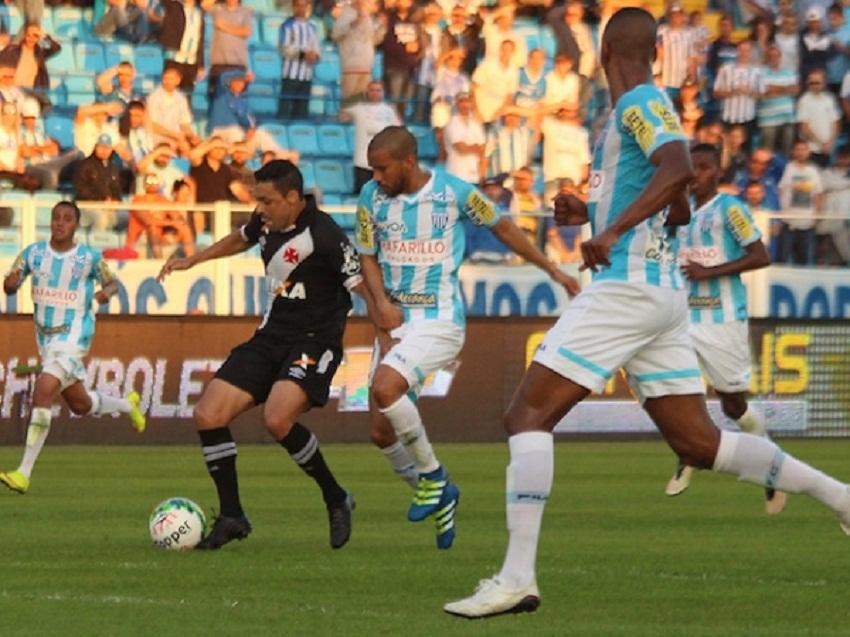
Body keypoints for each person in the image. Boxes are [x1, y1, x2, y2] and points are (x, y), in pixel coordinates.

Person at [444, 8, 850, 619]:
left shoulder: (638, 101)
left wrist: (611, 231)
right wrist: (591, 209)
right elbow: (680, 207)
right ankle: (841, 496)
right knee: (699, 442)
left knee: (525, 414)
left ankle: (516, 577)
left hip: (627, 288)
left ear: (605, 50)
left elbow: (680, 167)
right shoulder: (629, 111)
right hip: (660, 294)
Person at [354, 126, 578, 550]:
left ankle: (435, 478)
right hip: (395, 319)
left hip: (438, 320)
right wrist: (380, 304)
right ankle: (441, 497)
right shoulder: (371, 198)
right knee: (381, 433)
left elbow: (504, 228)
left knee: (385, 387)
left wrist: (554, 270)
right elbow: (367, 254)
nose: (376, 177)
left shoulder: (453, 193)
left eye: (383, 169)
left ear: (408, 162)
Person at [157, 160, 375, 550]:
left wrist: (388, 323)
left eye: (267, 201)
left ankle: (335, 495)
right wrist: (194, 259)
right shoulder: (265, 221)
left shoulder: (325, 234)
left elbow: (360, 283)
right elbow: (241, 238)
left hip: (314, 341)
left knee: (277, 419)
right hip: (270, 336)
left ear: (293, 199)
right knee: (208, 414)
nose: (260, 208)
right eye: (257, 200)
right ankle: (232, 516)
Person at [663, 144, 784, 515]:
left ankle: (770, 461)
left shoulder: (730, 209)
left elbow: (760, 255)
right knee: (676, 390)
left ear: (717, 173)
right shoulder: (677, 213)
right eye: (692, 168)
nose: (696, 174)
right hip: (683, 317)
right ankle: (689, 454)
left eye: (703, 168)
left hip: (722, 317)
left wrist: (708, 273)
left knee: (733, 404)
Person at [0, 202, 146, 495]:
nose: (60, 223)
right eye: (56, 218)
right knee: (80, 405)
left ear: (76, 225)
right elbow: (10, 284)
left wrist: (106, 291)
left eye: (67, 219)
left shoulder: (88, 258)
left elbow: (113, 281)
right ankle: (126, 405)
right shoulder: (33, 254)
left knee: (43, 389)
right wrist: (11, 283)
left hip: (74, 336)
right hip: (46, 339)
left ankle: (24, 472)